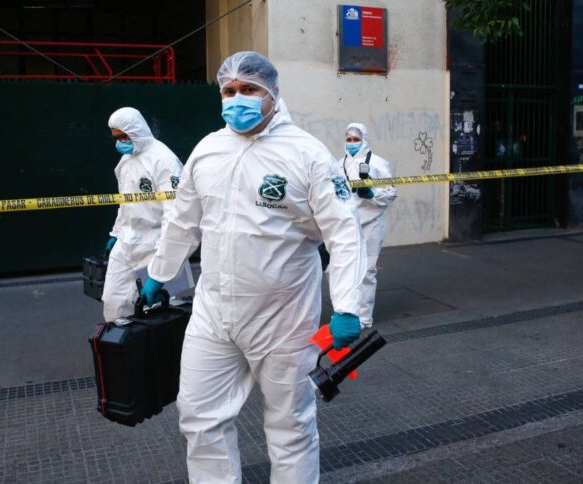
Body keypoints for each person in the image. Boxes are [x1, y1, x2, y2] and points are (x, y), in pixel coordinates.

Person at [141, 51, 366, 483]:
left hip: (283, 318)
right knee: (198, 415)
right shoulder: (208, 150)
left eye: (248, 89)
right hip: (213, 313)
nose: (237, 99)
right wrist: (159, 272)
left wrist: (347, 305)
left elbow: (344, 233)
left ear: (272, 93)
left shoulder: (307, 154)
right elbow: (183, 221)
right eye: (228, 91)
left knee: (290, 425)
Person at [101, 107, 187, 322]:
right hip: (127, 241)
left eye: (124, 136)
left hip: (155, 244)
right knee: (114, 302)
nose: (120, 142)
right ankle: (118, 342)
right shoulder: (125, 161)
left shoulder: (164, 161)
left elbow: (176, 214)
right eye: (116, 138)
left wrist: (163, 262)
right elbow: (125, 203)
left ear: (136, 130)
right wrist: (116, 232)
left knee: (158, 316)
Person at [339, 123, 398, 329]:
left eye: (356, 139)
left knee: (367, 271)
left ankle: (364, 316)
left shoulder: (379, 164)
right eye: (349, 139)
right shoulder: (338, 165)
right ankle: (346, 311)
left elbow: (391, 193)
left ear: (364, 140)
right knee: (344, 270)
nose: (352, 143)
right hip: (346, 225)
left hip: (371, 224)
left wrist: (372, 194)